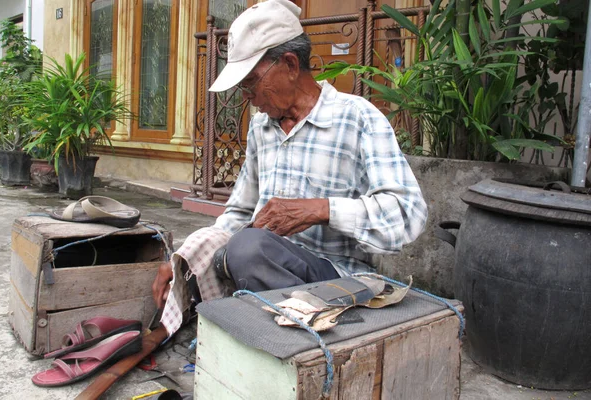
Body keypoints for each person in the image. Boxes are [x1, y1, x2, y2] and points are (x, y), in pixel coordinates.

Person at [152, 0, 428, 336]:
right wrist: (183, 261)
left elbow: (408, 214)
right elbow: (239, 213)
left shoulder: (358, 118)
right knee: (226, 254)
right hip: (270, 273)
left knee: (249, 250)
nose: (247, 96)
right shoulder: (261, 128)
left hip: (339, 280)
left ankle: (300, 334)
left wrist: (320, 210)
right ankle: (270, 330)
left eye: (251, 82)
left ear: (290, 65)